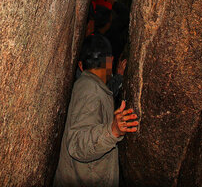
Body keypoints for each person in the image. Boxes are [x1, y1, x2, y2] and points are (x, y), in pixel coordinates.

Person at [54, 35, 139, 187]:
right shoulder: (90, 91)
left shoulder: (91, 86)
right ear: (110, 61)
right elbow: (76, 144)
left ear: (81, 65)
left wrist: (119, 76)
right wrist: (111, 131)